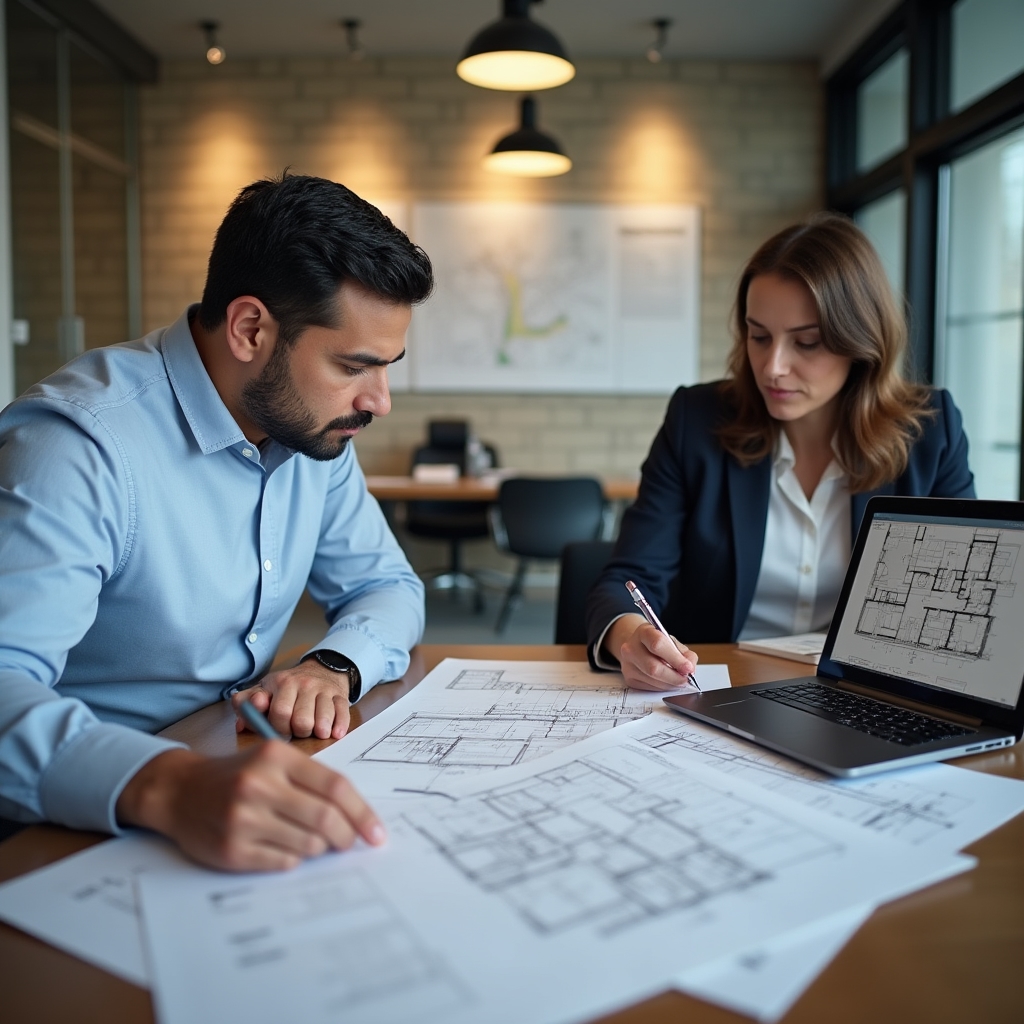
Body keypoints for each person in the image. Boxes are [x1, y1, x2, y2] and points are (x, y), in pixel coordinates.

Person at [0, 173, 433, 871]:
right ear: (251, 329)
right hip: (75, 821)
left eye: (387, 367)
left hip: (236, 768)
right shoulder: (79, 446)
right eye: (355, 366)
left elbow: (387, 584)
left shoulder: (313, 433)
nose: (379, 401)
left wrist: (333, 663)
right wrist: (167, 785)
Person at [587, 213, 975, 691]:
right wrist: (631, 638)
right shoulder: (697, 420)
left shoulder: (930, 432)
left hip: (863, 695)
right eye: (759, 336)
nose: (772, 367)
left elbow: (963, 602)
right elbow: (629, 578)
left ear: (862, 342)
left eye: (806, 342)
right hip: (719, 690)